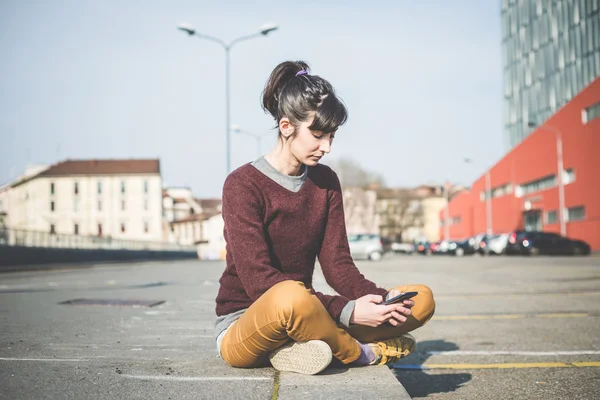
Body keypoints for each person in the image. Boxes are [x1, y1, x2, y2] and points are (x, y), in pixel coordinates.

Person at [215, 60, 435, 375]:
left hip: (309, 313)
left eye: (331, 136)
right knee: (289, 295)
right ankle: (358, 352)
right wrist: (347, 311)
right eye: (318, 134)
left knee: (420, 300)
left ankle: (301, 348)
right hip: (247, 321)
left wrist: (382, 298)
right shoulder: (242, 185)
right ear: (286, 126)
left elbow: (338, 265)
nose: (326, 147)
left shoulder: (325, 181)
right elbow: (260, 284)